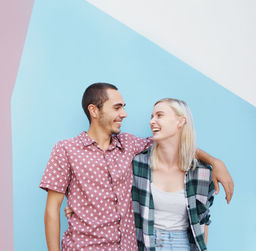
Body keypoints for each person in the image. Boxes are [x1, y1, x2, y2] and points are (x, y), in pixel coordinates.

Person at [41, 83, 233, 251]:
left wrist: (215, 161)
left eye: (123, 107)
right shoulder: (66, 150)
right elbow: (52, 209)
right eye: (117, 108)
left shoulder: (129, 145)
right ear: (94, 111)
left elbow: (172, 143)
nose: (123, 114)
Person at [132, 98, 216, 250]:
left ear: (180, 121)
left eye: (159, 115)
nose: (152, 121)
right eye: (151, 117)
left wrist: (216, 163)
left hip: (182, 243)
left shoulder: (202, 172)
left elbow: (202, 221)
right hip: (148, 243)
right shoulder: (139, 164)